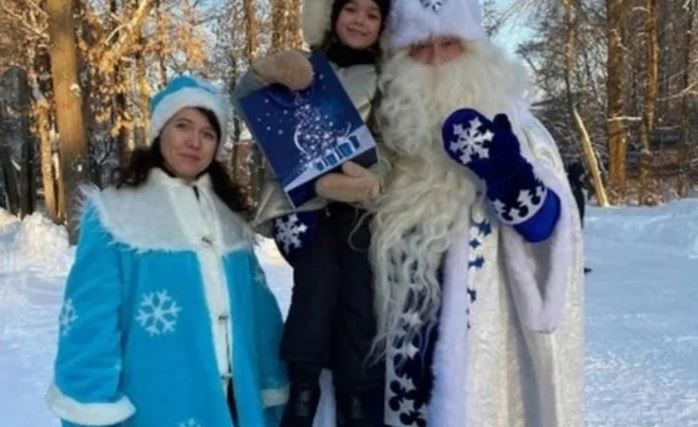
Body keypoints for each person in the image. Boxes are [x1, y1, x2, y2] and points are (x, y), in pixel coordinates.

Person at [367, 0, 585, 425]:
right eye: (418, 47)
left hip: (483, 358)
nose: (433, 60)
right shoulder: (386, 142)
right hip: (393, 362)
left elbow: (549, 234)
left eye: (448, 44)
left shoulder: (517, 131)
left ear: (475, 49)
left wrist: (506, 174)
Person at [46, 76, 288, 427]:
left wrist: (273, 387)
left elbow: (260, 317)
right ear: (160, 131)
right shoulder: (115, 214)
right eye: (183, 126)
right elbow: (88, 324)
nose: (194, 142)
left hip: (236, 408)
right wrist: (91, 407)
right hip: (154, 407)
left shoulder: (230, 218)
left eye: (208, 133)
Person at [233, 1, 390, 425]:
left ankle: (355, 393)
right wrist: (269, 69)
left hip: (356, 202)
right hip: (295, 203)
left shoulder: (385, 81)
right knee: (319, 276)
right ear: (334, 16)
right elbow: (250, 98)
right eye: (351, 9)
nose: (359, 20)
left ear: (382, 26)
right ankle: (302, 386)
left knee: (359, 287)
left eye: (372, 14)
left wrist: (369, 179)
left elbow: (393, 147)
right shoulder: (306, 63)